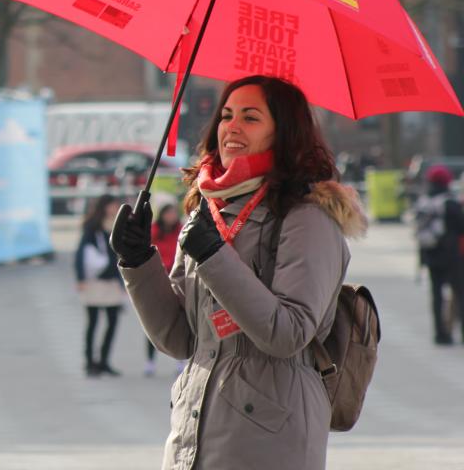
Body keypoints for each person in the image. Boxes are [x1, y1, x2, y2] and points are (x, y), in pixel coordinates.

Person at [109, 75, 367, 470]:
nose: (231, 126)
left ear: (284, 134)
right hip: (194, 433)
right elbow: (179, 338)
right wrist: (139, 261)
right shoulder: (208, 210)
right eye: (227, 115)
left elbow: (289, 332)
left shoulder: (308, 219)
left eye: (251, 118)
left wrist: (213, 255)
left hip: (270, 437)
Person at [411, 164, 464, 344]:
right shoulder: (450, 202)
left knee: (436, 296)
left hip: (432, 255)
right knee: (459, 292)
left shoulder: (424, 202)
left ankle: (440, 334)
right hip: (452, 255)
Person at [75, 194, 125, 377]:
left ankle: (104, 360)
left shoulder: (117, 225)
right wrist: (80, 277)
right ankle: (90, 362)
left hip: (112, 280)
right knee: (93, 322)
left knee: (112, 321)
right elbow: (81, 253)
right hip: (95, 280)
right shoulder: (93, 227)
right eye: (112, 205)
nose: (114, 209)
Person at [144, 200, 181, 376]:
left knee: (179, 322)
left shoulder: (181, 230)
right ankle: (150, 361)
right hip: (157, 279)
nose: (171, 217)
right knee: (153, 324)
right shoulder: (153, 232)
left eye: (173, 213)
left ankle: (180, 361)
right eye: (168, 213)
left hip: (176, 279)